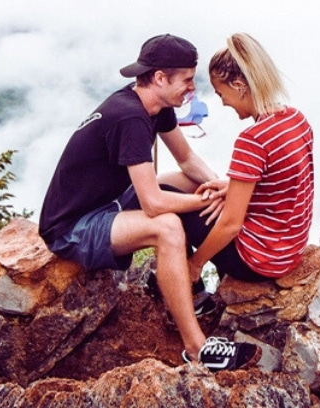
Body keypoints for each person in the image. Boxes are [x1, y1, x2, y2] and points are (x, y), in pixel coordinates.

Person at [37, 33, 258, 371]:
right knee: (168, 226)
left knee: (184, 182)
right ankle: (197, 348)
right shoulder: (130, 118)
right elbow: (154, 205)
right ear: (159, 78)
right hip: (72, 227)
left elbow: (186, 160)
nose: (192, 89)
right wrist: (205, 204)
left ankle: (186, 290)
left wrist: (222, 190)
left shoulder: (154, 106)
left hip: (109, 203)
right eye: (186, 80)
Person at [180, 33, 314, 301]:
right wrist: (232, 186)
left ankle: (192, 295)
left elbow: (230, 225)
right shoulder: (296, 119)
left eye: (222, 93)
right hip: (289, 251)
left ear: (240, 85)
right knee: (199, 194)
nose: (223, 101)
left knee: (175, 212)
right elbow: (287, 178)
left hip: (257, 261)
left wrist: (195, 264)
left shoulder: (252, 140)